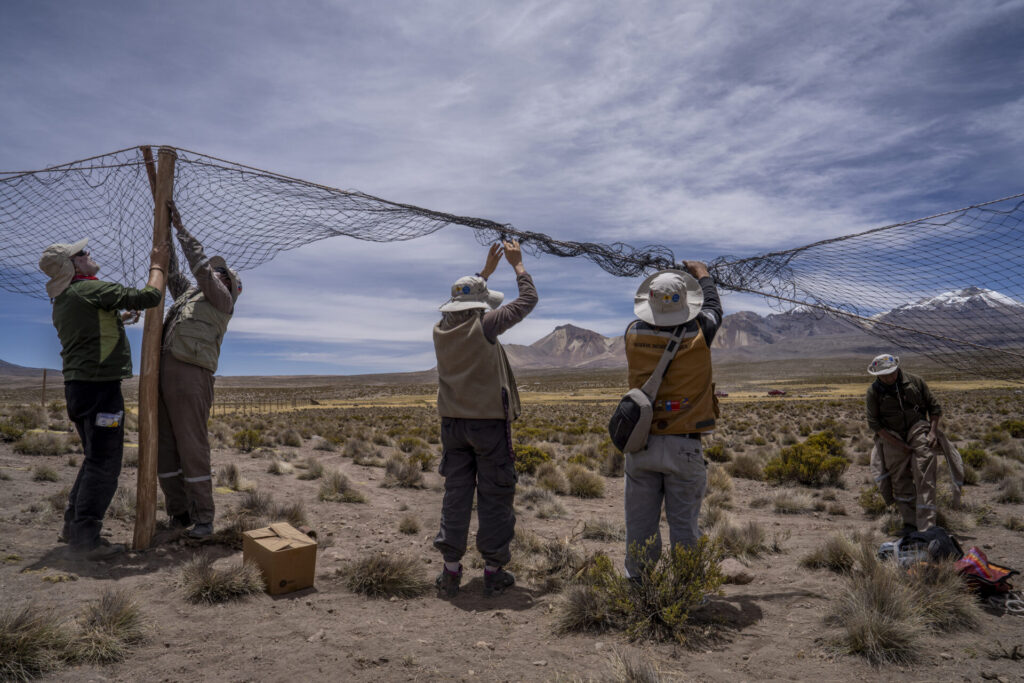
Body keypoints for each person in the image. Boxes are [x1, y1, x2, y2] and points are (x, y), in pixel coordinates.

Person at [39, 237, 165, 559]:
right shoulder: (89, 290)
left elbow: (87, 329)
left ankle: (74, 526)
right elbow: (150, 295)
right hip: (99, 391)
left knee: (94, 458)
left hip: (79, 390)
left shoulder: (65, 300)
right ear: (73, 266)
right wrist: (157, 265)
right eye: (82, 254)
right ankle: (86, 539)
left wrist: (117, 320)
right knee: (105, 463)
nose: (89, 254)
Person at [432, 239, 537, 598]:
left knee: (456, 494)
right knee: (495, 495)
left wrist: (483, 275)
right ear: (480, 305)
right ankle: (493, 571)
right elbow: (527, 302)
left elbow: (461, 305)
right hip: (489, 425)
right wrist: (518, 266)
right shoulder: (486, 325)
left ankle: (450, 571)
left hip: (452, 425)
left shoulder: (441, 329)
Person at [621, 262, 722, 579]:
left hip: (641, 444)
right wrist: (702, 274)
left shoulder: (632, 334)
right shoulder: (701, 333)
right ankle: (689, 593)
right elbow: (714, 307)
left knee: (639, 526)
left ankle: (638, 587)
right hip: (685, 446)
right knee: (685, 528)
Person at [157, 200, 242, 539]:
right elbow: (175, 274)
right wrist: (164, 235)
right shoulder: (187, 299)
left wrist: (180, 230)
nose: (217, 274)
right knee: (165, 445)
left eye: (225, 275)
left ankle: (204, 518)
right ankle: (179, 513)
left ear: (230, 287)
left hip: (192, 375)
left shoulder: (222, 301)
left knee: (192, 444)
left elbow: (200, 270)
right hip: (163, 373)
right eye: (218, 273)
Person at [865, 354, 943, 534]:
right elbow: (875, 424)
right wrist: (899, 445)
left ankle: (928, 526)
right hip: (891, 434)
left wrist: (932, 432)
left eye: (891, 373)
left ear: (897, 369)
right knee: (899, 478)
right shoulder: (873, 392)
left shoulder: (915, 382)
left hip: (918, 427)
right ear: (877, 375)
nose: (888, 377)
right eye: (883, 375)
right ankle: (909, 523)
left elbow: (934, 408)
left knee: (925, 473)